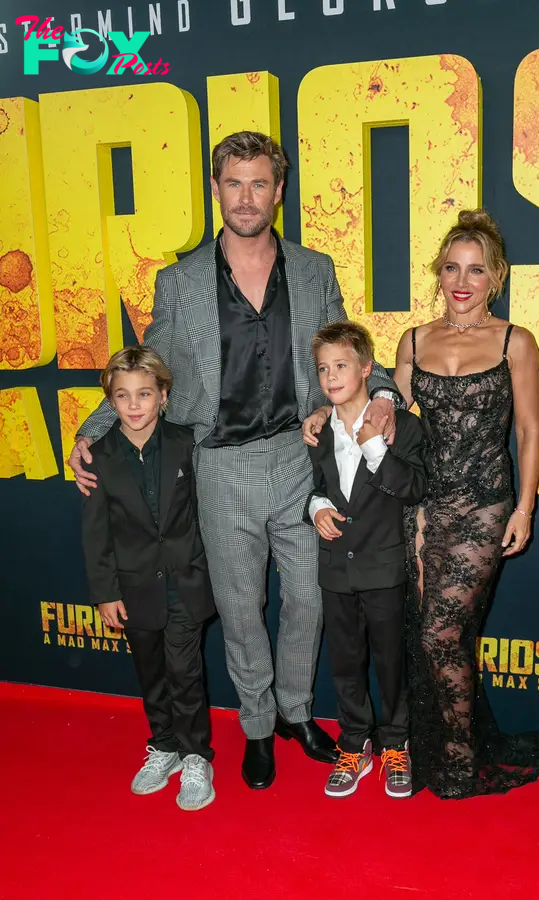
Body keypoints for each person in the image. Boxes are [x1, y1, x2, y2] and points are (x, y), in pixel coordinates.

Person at [68, 131, 402, 790]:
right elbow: (150, 362)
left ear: (279, 191)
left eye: (259, 183)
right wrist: (93, 427)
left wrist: (384, 390)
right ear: (216, 188)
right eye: (233, 182)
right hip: (218, 466)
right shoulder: (181, 280)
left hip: (299, 458)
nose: (246, 197)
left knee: (309, 598)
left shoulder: (313, 269)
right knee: (242, 608)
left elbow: (349, 348)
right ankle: (256, 726)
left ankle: (296, 713)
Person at [304, 209, 539, 799]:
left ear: (495, 276)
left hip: (482, 506)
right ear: (438, 275)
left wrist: (525, 508)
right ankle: (419, 744)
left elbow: (528, 430)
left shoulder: (515, 342)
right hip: (418, 501)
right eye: (451, 268)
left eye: (475, 269)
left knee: (444, 633)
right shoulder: (414, 340)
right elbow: (382, 396)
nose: (462, 280)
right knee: (419, 630)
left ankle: (457, 756)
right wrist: (327, 411)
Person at [81, 347, 215, 811]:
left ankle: (197, 754)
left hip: (187, 579)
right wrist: (104, 593)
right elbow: (96, 532)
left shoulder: (187, 442)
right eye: (123, 396)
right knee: (151, 672)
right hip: (133, 585)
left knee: (185, 669)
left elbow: (207, 512)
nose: (134, 405)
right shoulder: (98, 457)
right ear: (111, 401)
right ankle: (164, 746)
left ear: (162, 396)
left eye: (144, 394)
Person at [304, 322, 426, 798]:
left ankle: (396, 743)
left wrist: (375, 446)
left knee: (390, 660)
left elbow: (416, 487)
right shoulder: (318, 430)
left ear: (366, 369)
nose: (331, 377)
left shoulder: (403, 426)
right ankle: (354, 743)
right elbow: (317, 488)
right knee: (345, 662)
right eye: (323, 369)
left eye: (341, 366)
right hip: (335, 567)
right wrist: (316, 509)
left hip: (383, 566)